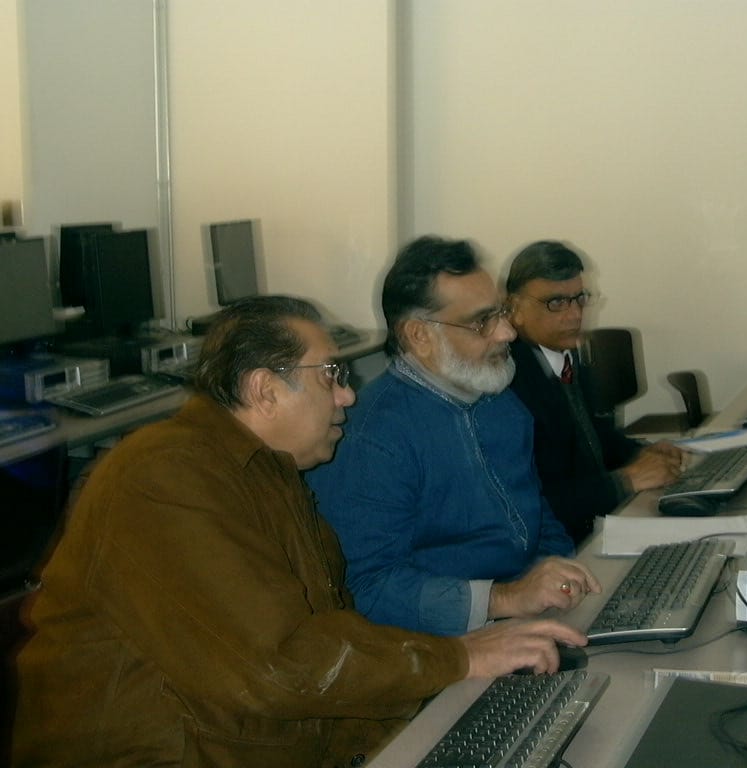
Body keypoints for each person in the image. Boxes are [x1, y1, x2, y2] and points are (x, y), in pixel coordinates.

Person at [11, 295, 587, 768]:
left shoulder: (270, 474)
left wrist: (435, 711)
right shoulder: (164, 477)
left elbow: (327, 642)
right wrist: (457, 659)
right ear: (265, 390)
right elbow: (283, 666)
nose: (348, 395)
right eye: (332, 375)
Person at [306, 237, 600, 637]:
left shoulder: (500, 402)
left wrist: (558, 575)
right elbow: (364, 587)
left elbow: (538, 517)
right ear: (419, 335)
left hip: (525, 619)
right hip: (442, 646)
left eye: (501, 313)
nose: (507, 333)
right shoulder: (369, 440)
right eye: (482, 321)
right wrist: (504, 599)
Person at [505, 240, 687, 544]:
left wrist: (643, 452)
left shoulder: (566, 353)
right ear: (515, 309)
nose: (575, 314)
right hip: (560, 545)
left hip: (600, 522)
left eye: (580, 298)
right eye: (556, 303)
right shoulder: (507, 382)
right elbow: (531, 502)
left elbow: (595, 438)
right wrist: (625, 481)